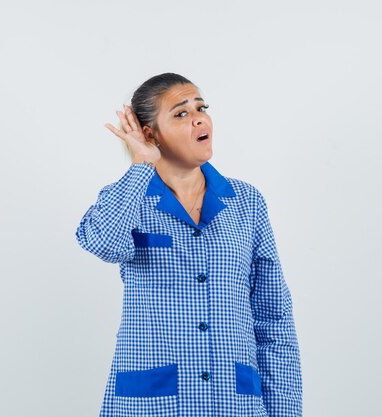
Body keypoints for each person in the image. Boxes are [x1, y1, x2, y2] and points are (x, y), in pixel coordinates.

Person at [75, 73, 303, 416]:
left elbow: (273, 318)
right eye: (180, 113)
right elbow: (104, 243)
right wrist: (141, 164)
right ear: (150, 133)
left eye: (201, 107)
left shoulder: (246, 202)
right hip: (152, 404)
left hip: (234, 402)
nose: (199, 118)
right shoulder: (127, 199)